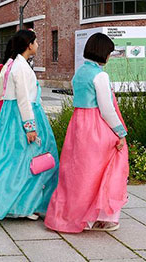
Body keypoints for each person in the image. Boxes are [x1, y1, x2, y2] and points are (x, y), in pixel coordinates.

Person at [44, 33, 128, 233]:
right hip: (96, 126)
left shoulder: (79, 73)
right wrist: (120, 132)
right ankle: (100, 217)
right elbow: (107, 109)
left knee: (78, 172)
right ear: (102, 53)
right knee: (106, 169)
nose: (109, 56)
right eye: (109, 52)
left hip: (78, 125)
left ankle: (75, 215)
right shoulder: (100, 75)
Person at [0, 30, 59, 220]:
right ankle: (24, 205)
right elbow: (23, 100)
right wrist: (30, 127)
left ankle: (21, 204)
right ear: (29, 45)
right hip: (23, 118)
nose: (37, 45)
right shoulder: (20, 67)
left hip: (15, 117)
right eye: (35, 42)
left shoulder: (16, 64)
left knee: (16, 162)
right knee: (28, 162)